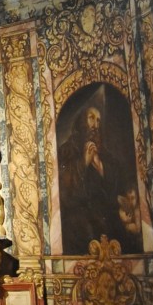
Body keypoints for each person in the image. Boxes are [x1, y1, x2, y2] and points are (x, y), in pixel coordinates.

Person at [59, 102, 142, 255]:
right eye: (91, 118)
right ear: (82, 121)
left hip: (108, 219)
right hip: (82, 219)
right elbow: (65, 192)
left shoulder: (106, 156)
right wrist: (84, 162)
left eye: (98, 120)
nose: (95, 125)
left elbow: (117, 189)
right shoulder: (67, 150)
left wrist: (103, 170)